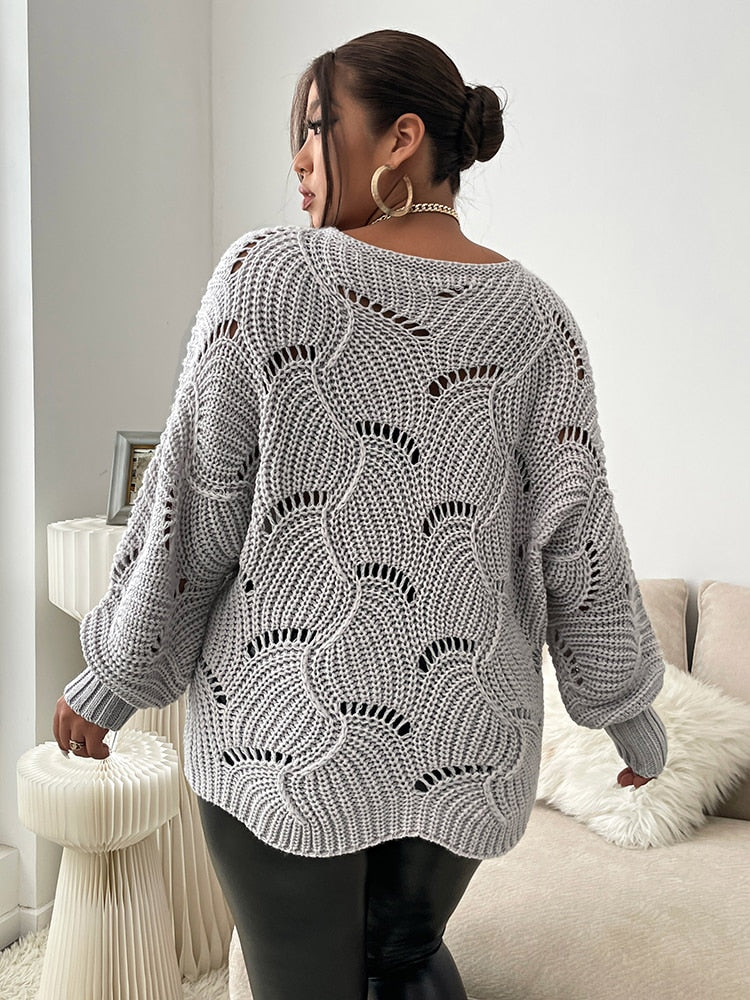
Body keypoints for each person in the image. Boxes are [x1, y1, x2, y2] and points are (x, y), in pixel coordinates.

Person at [53, 28, 668, 1000]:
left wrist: (115, 678)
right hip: (468, 738)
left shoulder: (268, 279)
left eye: (315, 127)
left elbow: (191, 512)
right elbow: (579, 539)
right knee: (404, 963)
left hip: (286, 735)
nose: (297, 159)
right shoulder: (539, 322)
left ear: (401, 139)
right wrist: (625, 708)